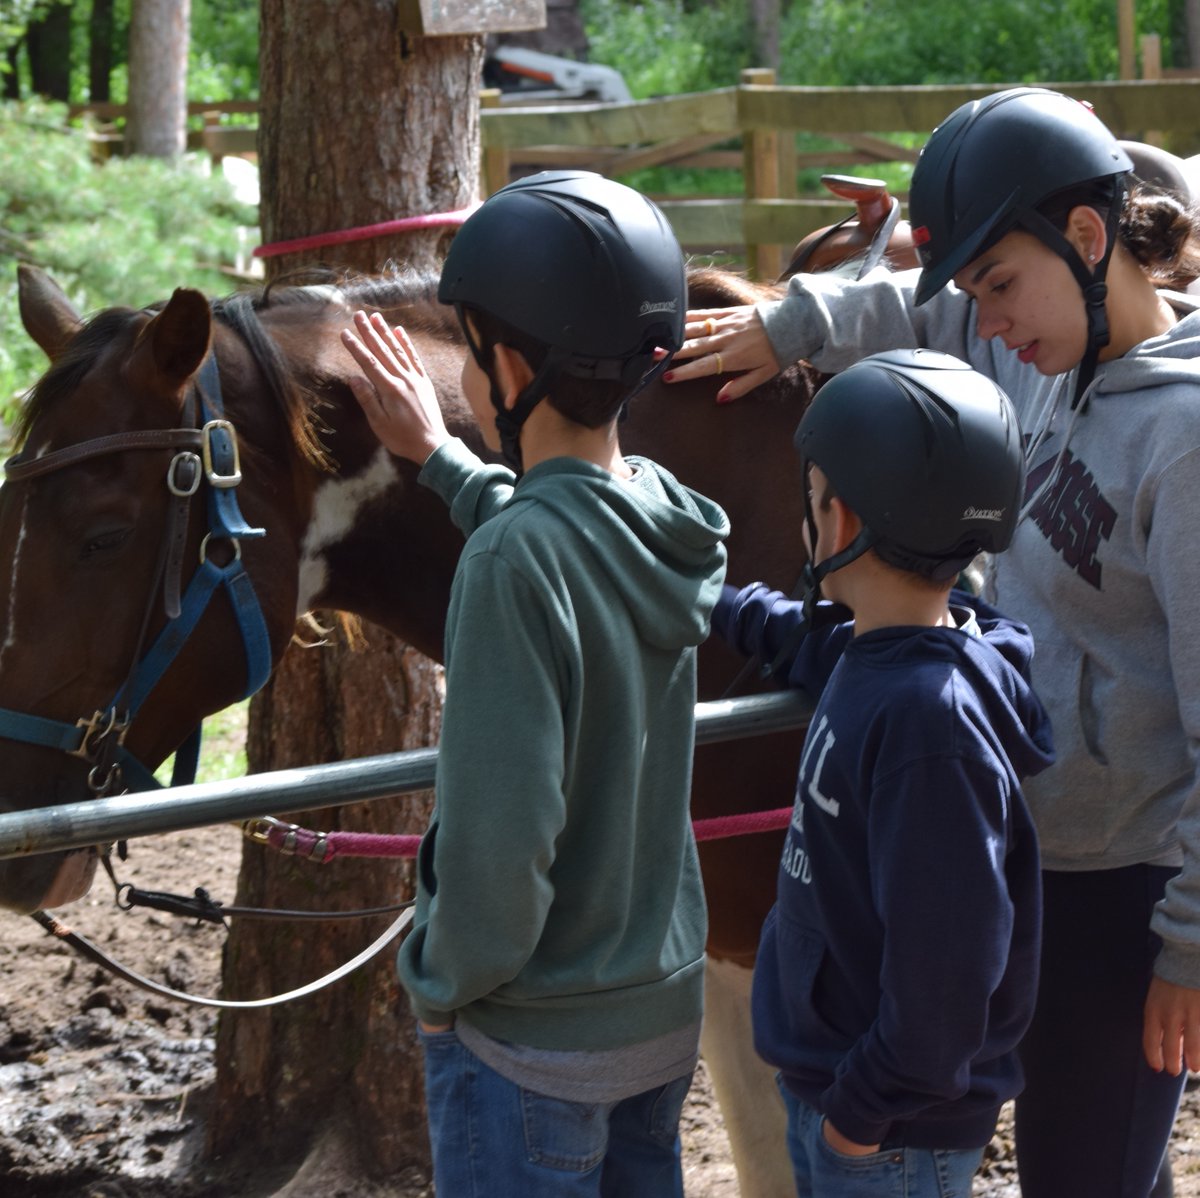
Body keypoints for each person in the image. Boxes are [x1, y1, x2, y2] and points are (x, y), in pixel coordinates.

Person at [667, 86, 1200, 1198]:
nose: (986, 321)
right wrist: (790, 322)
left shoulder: (1184, 443)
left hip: (1128, 892)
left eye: (1000, 284)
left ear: (1089, 237)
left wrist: (1190, 947)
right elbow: (921, 312)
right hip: (1035, 855)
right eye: (976, 293)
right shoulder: (1041, 351)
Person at [339, 170, 729, 1198]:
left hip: (533, 1045)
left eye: (468, 352)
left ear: (508, 366)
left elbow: (501, 840)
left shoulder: (513, 564)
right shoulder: (668, 515)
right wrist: (440, 462)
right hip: (656, 1014)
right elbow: (571, 525)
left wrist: (439, 983)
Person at [712, 348, 1053, 1196]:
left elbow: (949, 965)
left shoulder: (928, 724)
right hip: (844, 1090)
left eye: (815, 490)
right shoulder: (880, 652)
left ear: (841, 521)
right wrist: (701, 596)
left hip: (886, 1126)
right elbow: (793, 634)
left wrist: (858, 1116)